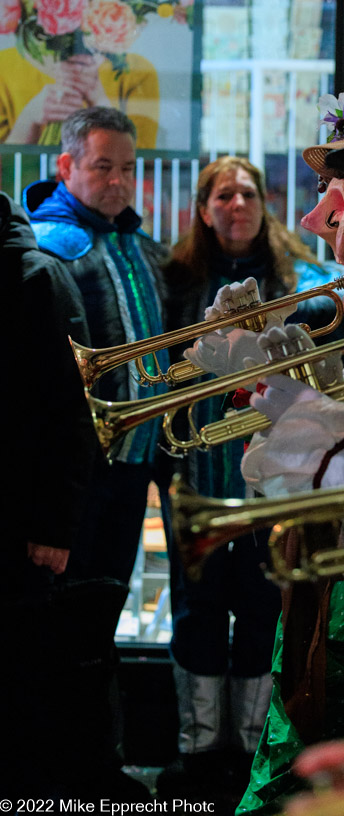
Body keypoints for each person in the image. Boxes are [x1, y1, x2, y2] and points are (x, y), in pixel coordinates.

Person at [156, 155, 344, 805]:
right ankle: (198, 750)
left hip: (272, 466)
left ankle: (248, 748)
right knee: (199, 610)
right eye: (222, 196)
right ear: (203, 208)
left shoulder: (297, 276)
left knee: (264, 605)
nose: (235, 206)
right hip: (201, 464)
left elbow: (321, 355)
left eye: (245, 194)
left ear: (261, 203)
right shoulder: (177, 281)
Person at [23, 105, 169, 586]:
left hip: (133, 465)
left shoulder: (141, 244)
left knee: (102, 608)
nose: (118, 182)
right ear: (66, 167)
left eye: (128, 168)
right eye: (102, 167)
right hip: (69, 475)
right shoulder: (42, 249)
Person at [0, 190, 100, 798]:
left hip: (16, 524)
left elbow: (73, 412)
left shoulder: (37, 273)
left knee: (19, 696)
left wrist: (54, 528)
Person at [0, 47, 160, 147]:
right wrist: (29, 120)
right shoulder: (5, 65)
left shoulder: (135, 70)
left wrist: (100, 104)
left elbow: (142, 166)